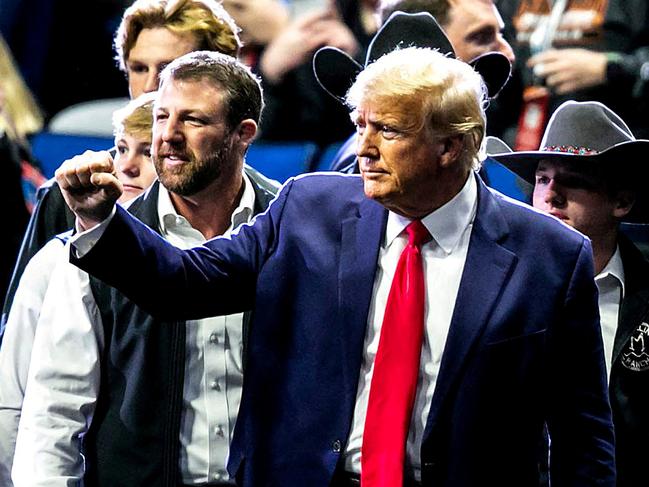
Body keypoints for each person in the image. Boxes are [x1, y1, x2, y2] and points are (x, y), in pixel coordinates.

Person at [56, 47, 614, 486]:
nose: (364, 148)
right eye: (360, 124)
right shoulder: (308, 209)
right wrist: (100, 220)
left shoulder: (551, 256)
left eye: (388, 131)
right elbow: (183, 285)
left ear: (452, 146)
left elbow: (582, 436)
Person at [11, 52, 278, 487]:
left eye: (192, 120)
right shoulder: (95, 246)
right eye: (160, 117)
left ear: (243, 134)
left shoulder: (292, 230)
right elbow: (55, 408)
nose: (167, 136)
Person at [0, 0, 242, 330]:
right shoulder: (67, 196)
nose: (152, 87)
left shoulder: (259, 201)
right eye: (139, 68)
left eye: (173, 69)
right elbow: (20, 328)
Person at [487, 100, 649, 487]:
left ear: (621, 202)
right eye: (542, 179)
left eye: (573, 180)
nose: (551, 195)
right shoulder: (490, 283)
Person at [0, 92, 159, 486]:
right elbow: (13, 405)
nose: (127, 167)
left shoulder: (215, 260)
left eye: (149, 153)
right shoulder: (54, 261)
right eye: (121, 149)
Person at [324, 0, 515, 172]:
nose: (509, 53)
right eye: (482, 38)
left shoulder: (463, 149)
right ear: (421, 50)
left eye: (501, 35)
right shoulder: (361, 169)